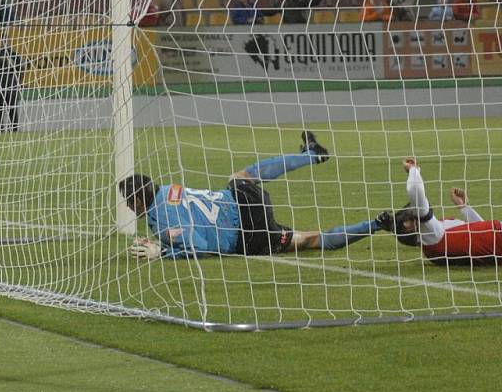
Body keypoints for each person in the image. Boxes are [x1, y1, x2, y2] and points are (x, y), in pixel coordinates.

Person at [121, 132, 386, 260]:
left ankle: (378, 223)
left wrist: (161, 251)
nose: (128, 207)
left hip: (248, 239)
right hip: (243, 203)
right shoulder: (168, 190)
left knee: (307, 240)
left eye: (128, 201)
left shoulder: (163, 219)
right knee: (240, 177)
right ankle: (312, 156)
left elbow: (198, 246)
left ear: (137, 201)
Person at [376, 159, 502, 265]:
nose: (410, 215)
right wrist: (413, 170)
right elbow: (415, 192)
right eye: (409, 220)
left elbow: (483, 233)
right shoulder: (431, 236)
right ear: (412, 231)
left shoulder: (434, 244)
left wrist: (463, 207)